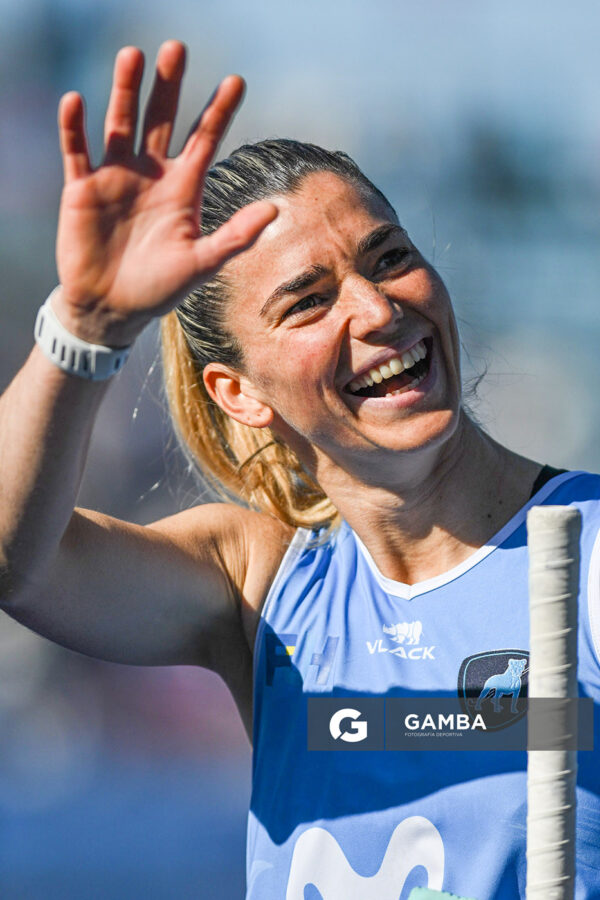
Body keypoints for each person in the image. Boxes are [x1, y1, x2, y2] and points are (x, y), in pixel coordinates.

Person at [1, 39, 599, 900]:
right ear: (238, 393)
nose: (377, 306)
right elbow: (16, 561)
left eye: (389, 256)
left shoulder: (586, 554)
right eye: (308, 302)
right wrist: (84, 327)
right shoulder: (260, 585)